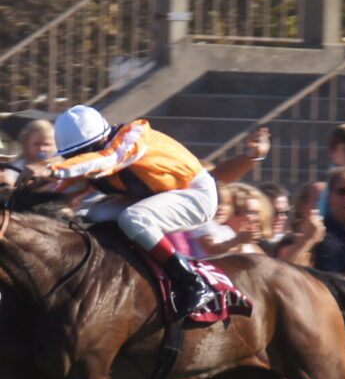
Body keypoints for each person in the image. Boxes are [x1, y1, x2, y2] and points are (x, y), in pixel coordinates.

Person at [46, 104, 218, 317]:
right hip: (155, 197)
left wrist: (51, 168)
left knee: (134, 219)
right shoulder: (95, 155)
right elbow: (67, 187)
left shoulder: (133, 137)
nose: (78, 159)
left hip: (196, 194)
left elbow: (108, 159)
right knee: (92, 217)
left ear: (102, 139)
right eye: (71, 155)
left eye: (82, 153)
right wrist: (34, 188)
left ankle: (193, 283)